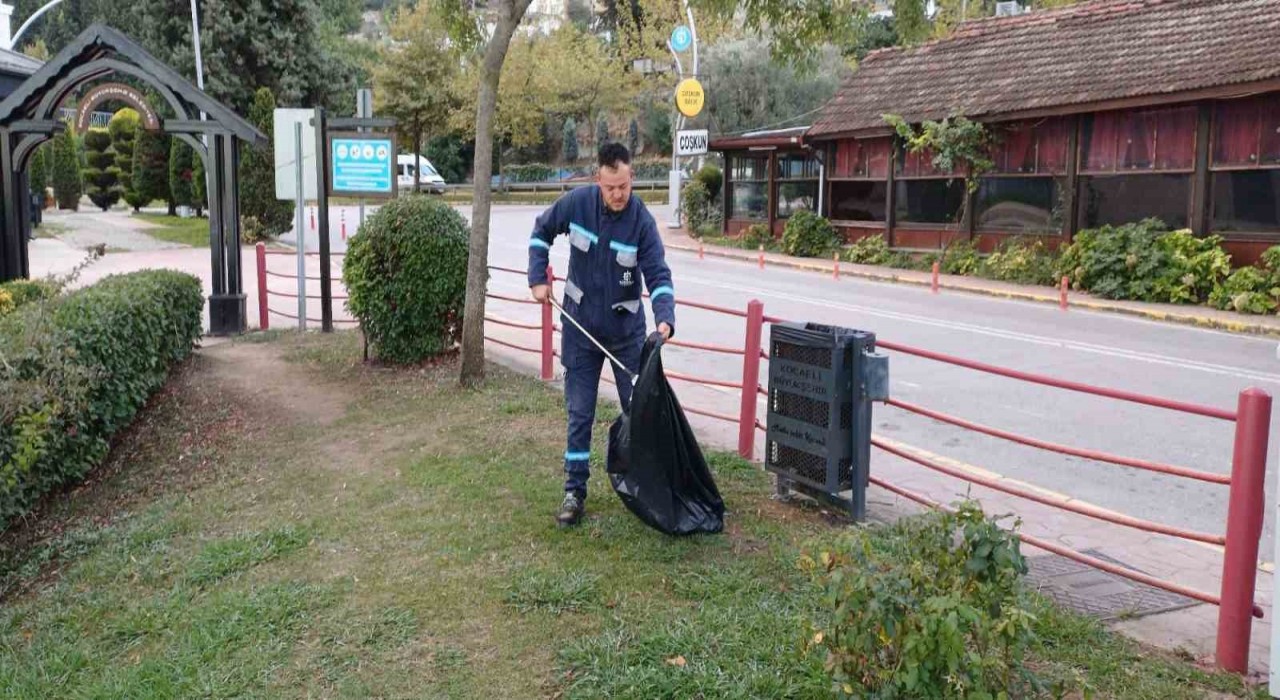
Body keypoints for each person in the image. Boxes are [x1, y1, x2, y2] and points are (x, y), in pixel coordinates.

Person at [528, 142, 675, 527]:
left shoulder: (641, 221)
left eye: (623, 186)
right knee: (580, 413)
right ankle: (574, 491)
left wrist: (665, 318)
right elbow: (541, 231)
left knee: (637, 412)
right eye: (610, 187)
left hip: (626, 336)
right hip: (580, 330)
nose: (617, 194)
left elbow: (658, 274)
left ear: (632, 178)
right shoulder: (577, 205)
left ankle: (647, 487)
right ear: (598, 180)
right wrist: (537, 277)